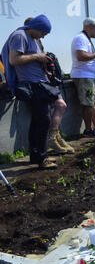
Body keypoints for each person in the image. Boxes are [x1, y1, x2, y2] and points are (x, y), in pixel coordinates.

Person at [1, 15, 61, 169]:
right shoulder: (20, 36)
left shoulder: (32, 38)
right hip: (31, 84)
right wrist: (37, 56)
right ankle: (41, 158)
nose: (44, 35)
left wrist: (44, 67)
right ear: (35, 27)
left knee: (38, 121)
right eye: (43, 32)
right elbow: (13, 60)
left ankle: (36, 156)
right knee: (43, 120)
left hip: (38, 83)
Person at [24, 17, 74, 154]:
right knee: (52, 110)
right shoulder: (24, 39)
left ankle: (55, 136)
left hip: (46, 80)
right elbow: (17, 60)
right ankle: (51, 140)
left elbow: (41, 57)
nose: (43, 35)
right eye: (42, 32)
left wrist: (48, 61)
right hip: (37, 83)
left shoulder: (37, 41)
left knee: (60, 105)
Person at [71, 17, 95, 137]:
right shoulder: (80, 38)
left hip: (89, 75)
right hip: (83, 76)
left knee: (94, 101)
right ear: (90, 27)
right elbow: (81, 56)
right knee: (88, 103)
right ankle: (88, 130)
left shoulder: (85, 38)